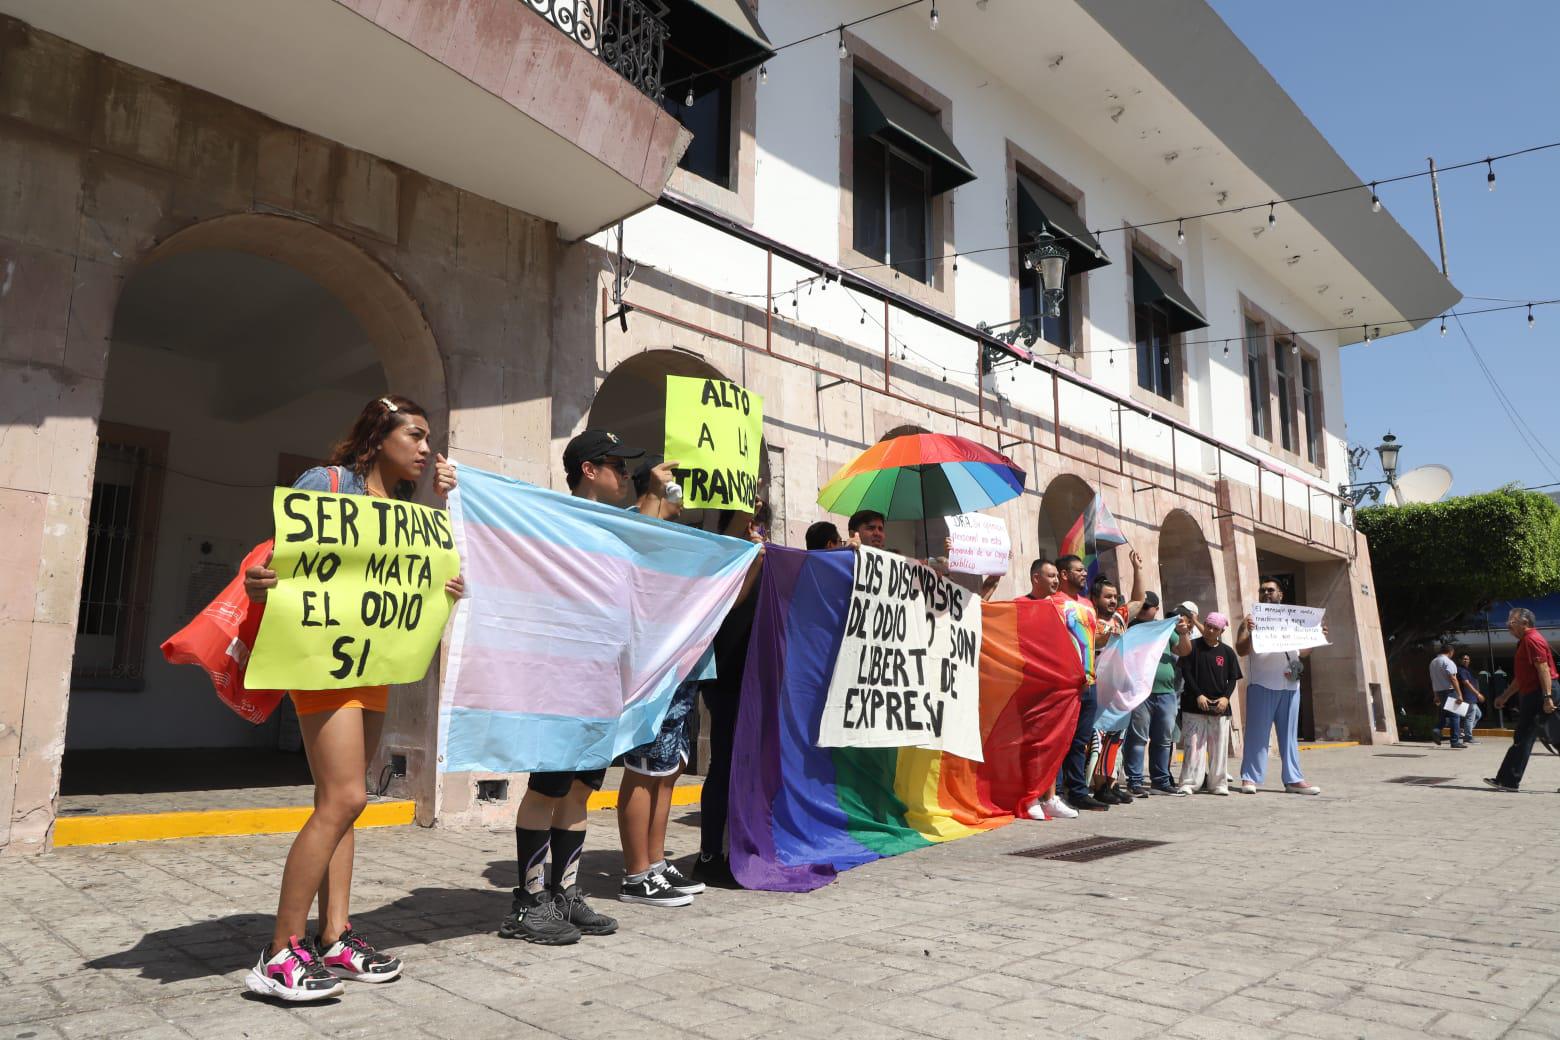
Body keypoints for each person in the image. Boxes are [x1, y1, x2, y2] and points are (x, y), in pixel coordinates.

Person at [241, 395, 464, 1002]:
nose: (425, 448)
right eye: (415, 435)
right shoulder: (330, 484)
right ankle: (279, 951)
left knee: (350, 798)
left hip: (372, 665)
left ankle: (335, 935)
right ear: (378, 435)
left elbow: (412, 571)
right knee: (341, 796)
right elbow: (282, 561)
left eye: (427, 439)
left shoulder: (406, 510)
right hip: (320, 662)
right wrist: (260, 583)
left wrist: (445, 581)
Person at [498, 430, 679, 945]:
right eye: (618, 466)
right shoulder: (556, 514)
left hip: (604, 678)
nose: (626, 475)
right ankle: (529, 901)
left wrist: (657, 496)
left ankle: (565, 893)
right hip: (562, 677)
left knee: (580, 790)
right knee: (546, 787)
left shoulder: (615, 523)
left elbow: (643, 550)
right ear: (588, 470)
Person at [694, 503, 770, 888]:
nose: (755, 529)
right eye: (748, 522)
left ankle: (740, 845)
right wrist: (751, 556)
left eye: (760, 524)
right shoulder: (722, 559)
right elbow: (723, 606)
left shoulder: (766, 560)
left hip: (758, 679)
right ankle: (710, 854)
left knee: (751, 767)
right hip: (726, 678)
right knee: (723, 764)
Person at [1234, 576, 1326, 793]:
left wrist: (1315, 637)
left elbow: (1302, 652)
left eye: (1271, 590)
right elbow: (1241, 649)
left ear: (1280, 595)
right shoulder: (1250, 619)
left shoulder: (1295, 619)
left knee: (1289, 736)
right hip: (1262, 685)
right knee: (1257, 734)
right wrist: (1250, 632)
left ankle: (1293, 779)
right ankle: (1250, 778)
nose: (1266, 593)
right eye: (1263, 590)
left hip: (1290, 686)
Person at [1052, 555, 1110, 812]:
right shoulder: (1053, 603)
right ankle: (1054, 791)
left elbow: (1093, 640)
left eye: (1084, 569)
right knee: (1060, 739)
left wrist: (1105, 636)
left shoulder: (1087, 604)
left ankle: (1077, 791)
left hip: (1090, 681)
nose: (1085, 573)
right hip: (1064, 683)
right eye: (1078, 570)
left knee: (1080, 741)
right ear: (1064, 574)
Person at [1123, 597, 1194, 797]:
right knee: (1137, 738)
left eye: (1148, 607)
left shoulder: (1164, 628)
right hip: (1139, 692)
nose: (1144, 610)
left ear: (1156, 609)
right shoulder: (1130, 627)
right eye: (1142, 606)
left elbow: (1184, 650)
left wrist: (1182, 633)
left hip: (1166, 692)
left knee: (1163, 739)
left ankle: (1160, 781)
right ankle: (1135, 781)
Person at [1485, 608, 1557, 793]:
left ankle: (1508, 781)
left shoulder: (1532, 640)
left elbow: (1544, 670)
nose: (1508, 624)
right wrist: (1505, 696)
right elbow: (1522, 677)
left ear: (1525, 623)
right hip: (1533, 693)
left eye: (1513, 621)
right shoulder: (1525, 641)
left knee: (1531, 737)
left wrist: (1547, 697)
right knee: (1533, 737)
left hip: (1540, 693)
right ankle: (1507, 780)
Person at [1177, 612, 1242, 795]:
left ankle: (1218, 783)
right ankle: (1190, 783)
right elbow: (1187, 673)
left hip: (1220, 708)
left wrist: (1225, 698)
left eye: (1215, 628)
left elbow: (1232, 678)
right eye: (1208, 626)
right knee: (1194, 747)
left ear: (1221, 630)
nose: (1210, 630)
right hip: (1194, 705)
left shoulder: (1227, 652)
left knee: (1219, 748)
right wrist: (1198, 695)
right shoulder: (1192, 647)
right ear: (1204, 625)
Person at [1087, 576, 1133, 805]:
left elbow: (1139, 599)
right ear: (1095, 598)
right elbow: (1095, 641)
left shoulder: (1119, 618)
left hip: (1118, 690)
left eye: (1115, 596)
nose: (1113, 600)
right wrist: (1109, 635)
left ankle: (1111, 783)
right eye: (1107, 596)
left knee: (1116, 739)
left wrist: (1137, 568)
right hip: (1098, 689)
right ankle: (1098, 785)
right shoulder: (1090, 619)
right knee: (1098, 738)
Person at [1427, 642, 1467, 750]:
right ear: (1450, 652)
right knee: (1455, 716)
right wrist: (1459, 694)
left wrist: (1436, 695)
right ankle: (1455, 741)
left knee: (1444, 715)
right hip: (1450, 691)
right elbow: (1453, 678)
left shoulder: (1433, 662)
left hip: (1439, 692)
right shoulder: (1448, 662)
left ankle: (1437, 729)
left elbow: (1433, 680)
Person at [1458, 653, 1485, 745]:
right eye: (1464, 659)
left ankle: (1465, 732)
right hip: (1468, 697)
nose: (1466, 660)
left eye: (1467, 659)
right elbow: (1466, 683)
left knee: (1478, 714)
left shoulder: (1468, 670)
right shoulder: (1461, 670)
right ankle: (1468, 737)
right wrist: (1477, 694)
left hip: (1472, 698)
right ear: (1460, 660)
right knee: (1470, 717)